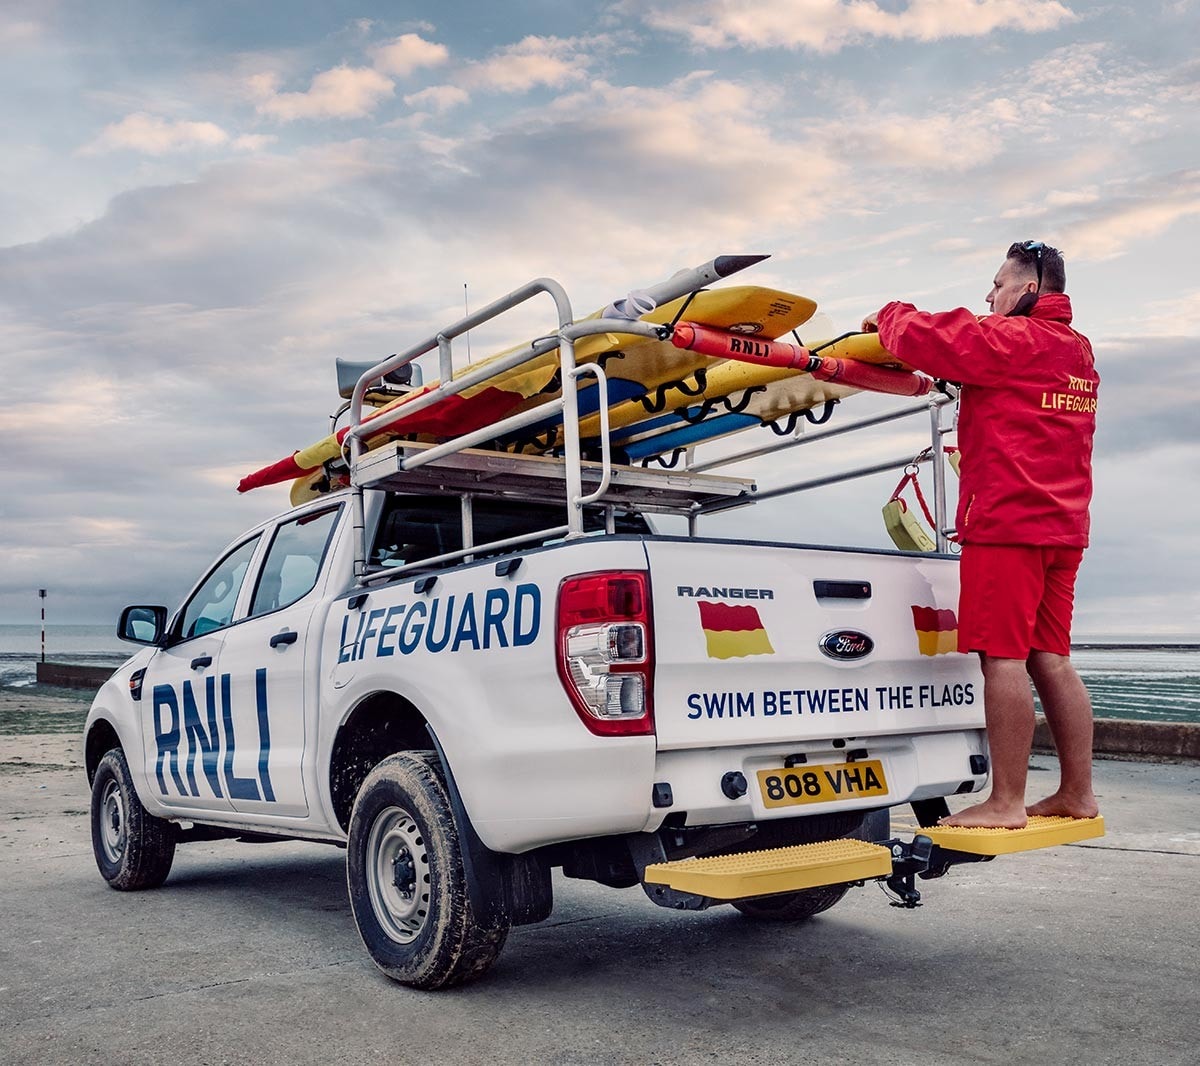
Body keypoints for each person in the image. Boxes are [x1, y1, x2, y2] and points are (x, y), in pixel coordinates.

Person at [862, 241, 1100, 829]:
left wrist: (886, 315)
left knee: (1003, 659)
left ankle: (1006, 801)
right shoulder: (1078, 352)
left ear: (1026, 291)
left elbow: (939, 337)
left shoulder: (1014, 341)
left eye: (996, 286)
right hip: (1063, 528)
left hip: (1007, 525)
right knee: (1053, 658)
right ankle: (1077, 793)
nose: (989, 297)